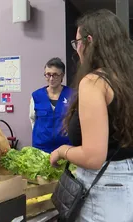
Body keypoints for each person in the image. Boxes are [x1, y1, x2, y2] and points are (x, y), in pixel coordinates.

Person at [50, 9, 133, 222]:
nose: (76, 49)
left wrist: (62, 151)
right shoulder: (126, 80)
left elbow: (93, 157)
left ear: (89, 41)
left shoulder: (94, 82)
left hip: (105, 190)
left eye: (76, 42)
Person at [29, 57, 72, 153]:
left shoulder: (72, 95)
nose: (51, 79)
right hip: (41, 149)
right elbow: (33, 119)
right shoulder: (36, 96)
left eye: (55, 75)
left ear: (62, 76)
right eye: (48, 75)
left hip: (65, 149)